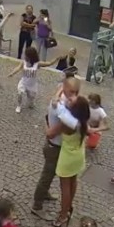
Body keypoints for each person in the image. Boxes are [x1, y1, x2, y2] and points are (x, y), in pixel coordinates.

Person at [30, 78, 80, 217]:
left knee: (49, 175)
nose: (74, 96)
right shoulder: (62, 109)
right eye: (72, 92)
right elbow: (51, 133)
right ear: (65, 89)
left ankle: (44, 194)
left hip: (54, 146)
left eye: (77, 92)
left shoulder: (60, 99)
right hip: (55, 148)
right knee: (47, 176)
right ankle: (37, 205)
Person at [46, 96, 90, 227]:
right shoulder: (83, 122)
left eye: (71, 101)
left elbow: (50, 134)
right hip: (78, 155)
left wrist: (46, 123)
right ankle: (69, 206)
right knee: (73, 181)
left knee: (64, 187)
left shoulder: (66, 124)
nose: (68, 100)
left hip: (67, 157)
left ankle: (63, 215)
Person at [7, 46, 58, 112]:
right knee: (20, 93)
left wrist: (57, 58)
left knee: (31, 98)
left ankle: (31, 103)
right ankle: (19, 106)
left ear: (30, 56)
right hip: (23, 82)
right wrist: (12, 73)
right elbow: (18, 68)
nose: (25, 56)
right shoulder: (24, 62)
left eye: (26, 55)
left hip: (32, 85)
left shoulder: (37, 64)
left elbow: (49, 63)